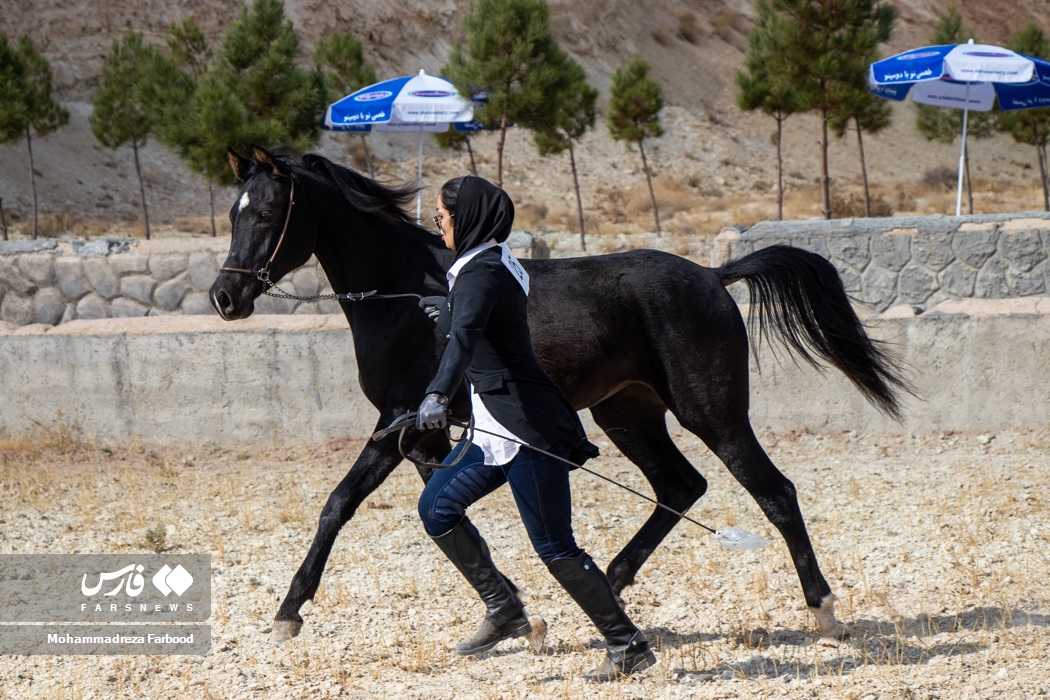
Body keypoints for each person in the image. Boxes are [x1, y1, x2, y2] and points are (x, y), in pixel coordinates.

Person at [414, 175, 657, 682]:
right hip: (492, 424)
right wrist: (446, 313)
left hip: (525, 424)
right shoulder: (495, 261)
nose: (437, 224)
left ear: (467, 218)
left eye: (441, 215)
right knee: (437, 508)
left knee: (554, 545)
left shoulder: (480, 272)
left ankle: (626, 643)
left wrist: (437, 393)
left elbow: (465, 340)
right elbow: (481, 326)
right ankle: (504, 608)